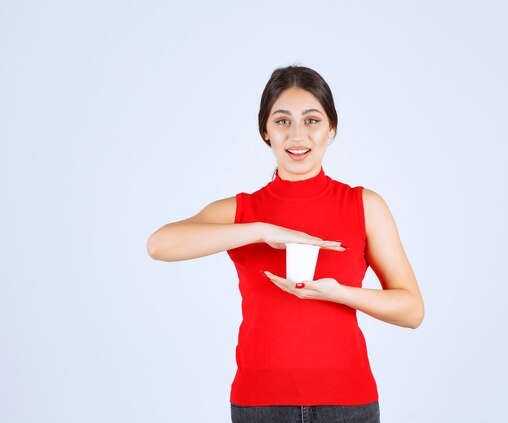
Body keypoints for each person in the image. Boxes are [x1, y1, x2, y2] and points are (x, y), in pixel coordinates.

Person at [147, 65, 425, 423]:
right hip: (260, 404)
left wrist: (337, 293)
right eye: (282, 121)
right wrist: (261, 230)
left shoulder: (364, 205)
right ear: (266, 131)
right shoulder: (240, 210)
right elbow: (159, 245)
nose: (297, 135)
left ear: (332, 129)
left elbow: (411, 309)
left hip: (348, 403)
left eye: (312, 120)